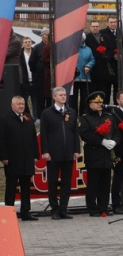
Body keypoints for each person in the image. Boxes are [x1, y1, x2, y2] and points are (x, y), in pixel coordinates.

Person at [40, 86, 80, 220]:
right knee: (52, 183)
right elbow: (44, 134)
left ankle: (63, 208)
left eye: (65, 94)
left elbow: (75, 133)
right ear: (54, 97)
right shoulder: (47, 113)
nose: (64, 96)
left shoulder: (72, 112)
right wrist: (45, 151)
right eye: (61, 95)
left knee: (66, 182)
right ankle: (54, 209)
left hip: (68, 153)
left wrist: (77, 150)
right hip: (53, 153)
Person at [78, 91, 118, 217]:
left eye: (101, 102)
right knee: (93, 183)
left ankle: (104, 207)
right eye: (96, 102)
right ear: (90, 104)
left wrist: (114, 142)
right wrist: (102, 141)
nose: (100, 104)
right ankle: (92, 208)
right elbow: (85, 134)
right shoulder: (85, 118)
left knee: (105, 183)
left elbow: (116, 132)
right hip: (94, 155)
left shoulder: (109, 117)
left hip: (107, 155)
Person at [0, 96, 39, 221]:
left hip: (27, 159)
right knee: (11, 187)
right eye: (18, 104)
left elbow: (33, 138)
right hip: (12, 159)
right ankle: (9, 213)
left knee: (26, 187)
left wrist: (35, 155)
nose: (21, 106)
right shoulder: (5, 119)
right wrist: (3, 157)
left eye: (22, 104)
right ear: (12, 105)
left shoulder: (28, 118)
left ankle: (25, 212)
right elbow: (2, 140)